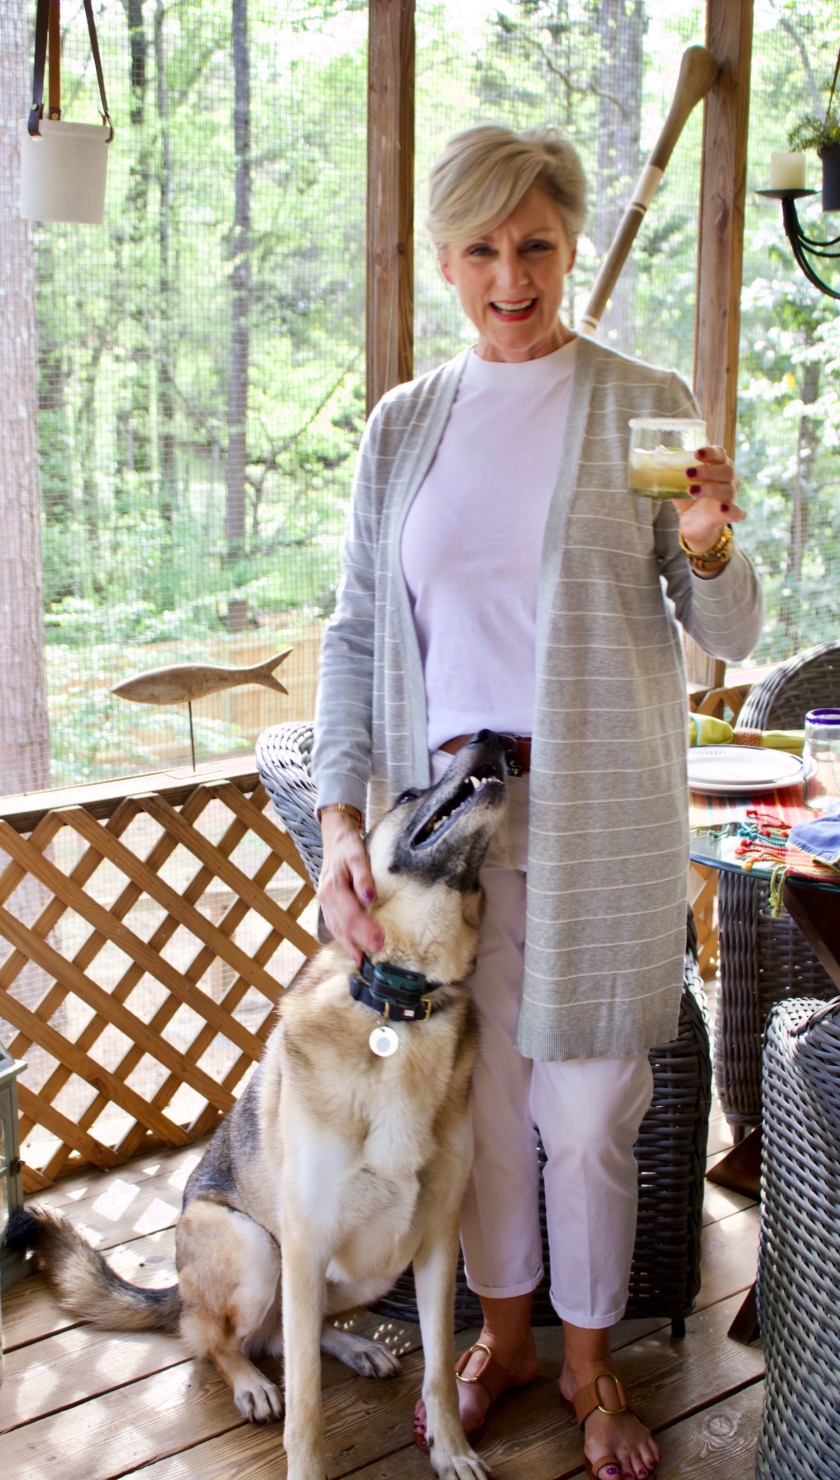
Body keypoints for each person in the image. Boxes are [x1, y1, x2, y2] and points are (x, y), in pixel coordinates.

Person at [311, 124, 763, 1480]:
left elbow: (729, 626)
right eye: (484, 251)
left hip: (598, 819)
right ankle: (505, 1339)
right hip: (443, 833)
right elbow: (354, 633)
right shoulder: (405, 424)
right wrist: (343, 825)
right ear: (447, 262)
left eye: (538, 247)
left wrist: (709, 538)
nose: (513, 277)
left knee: (584, 1110)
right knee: (485, 1105)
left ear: (569, 248)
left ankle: (590, 1361)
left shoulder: (641, 402)